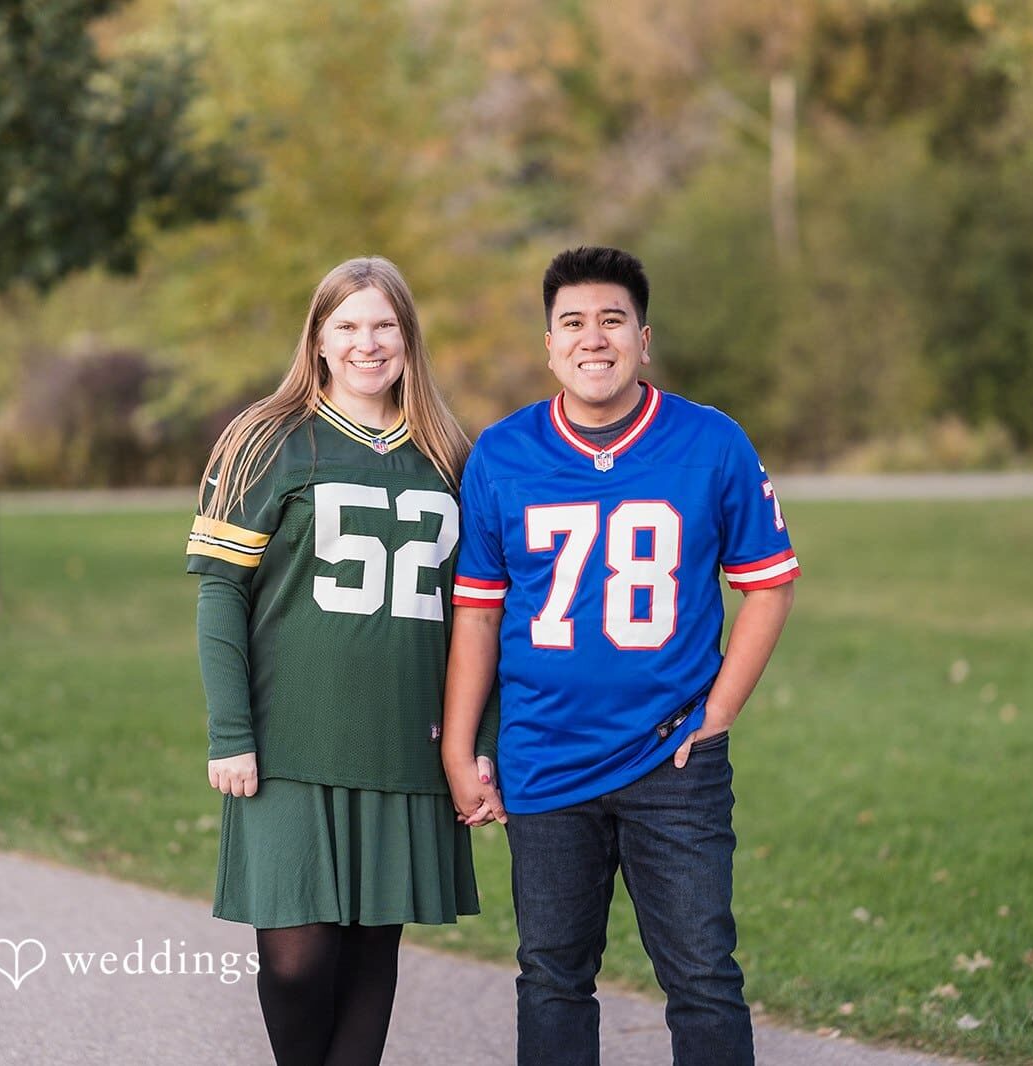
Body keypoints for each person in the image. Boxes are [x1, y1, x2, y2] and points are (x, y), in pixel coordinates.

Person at [442, 246, 799, 1066]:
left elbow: (770, 585)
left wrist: (717, 716)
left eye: (612, 320)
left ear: (643, 338)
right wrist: (461, 750)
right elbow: (478, 614)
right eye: (572, 322)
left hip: (673, 757)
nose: (592, 338)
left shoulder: (711, 441)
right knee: (552, 977)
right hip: (545, 756)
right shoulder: (503, 452)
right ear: (549, 345)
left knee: (702, 977)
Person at [187, 256, 495, 1066]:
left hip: (405, 739)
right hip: (289, 740)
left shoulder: (449, 453)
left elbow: (482, 613)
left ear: (408, 338)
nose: (368, 343)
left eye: (385, 325)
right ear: (318, 340)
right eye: (348, 325)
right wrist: (230, 733)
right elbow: (220, 593)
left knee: (368, 956)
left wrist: (478, 740)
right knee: (297, 961)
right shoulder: (266, 439)